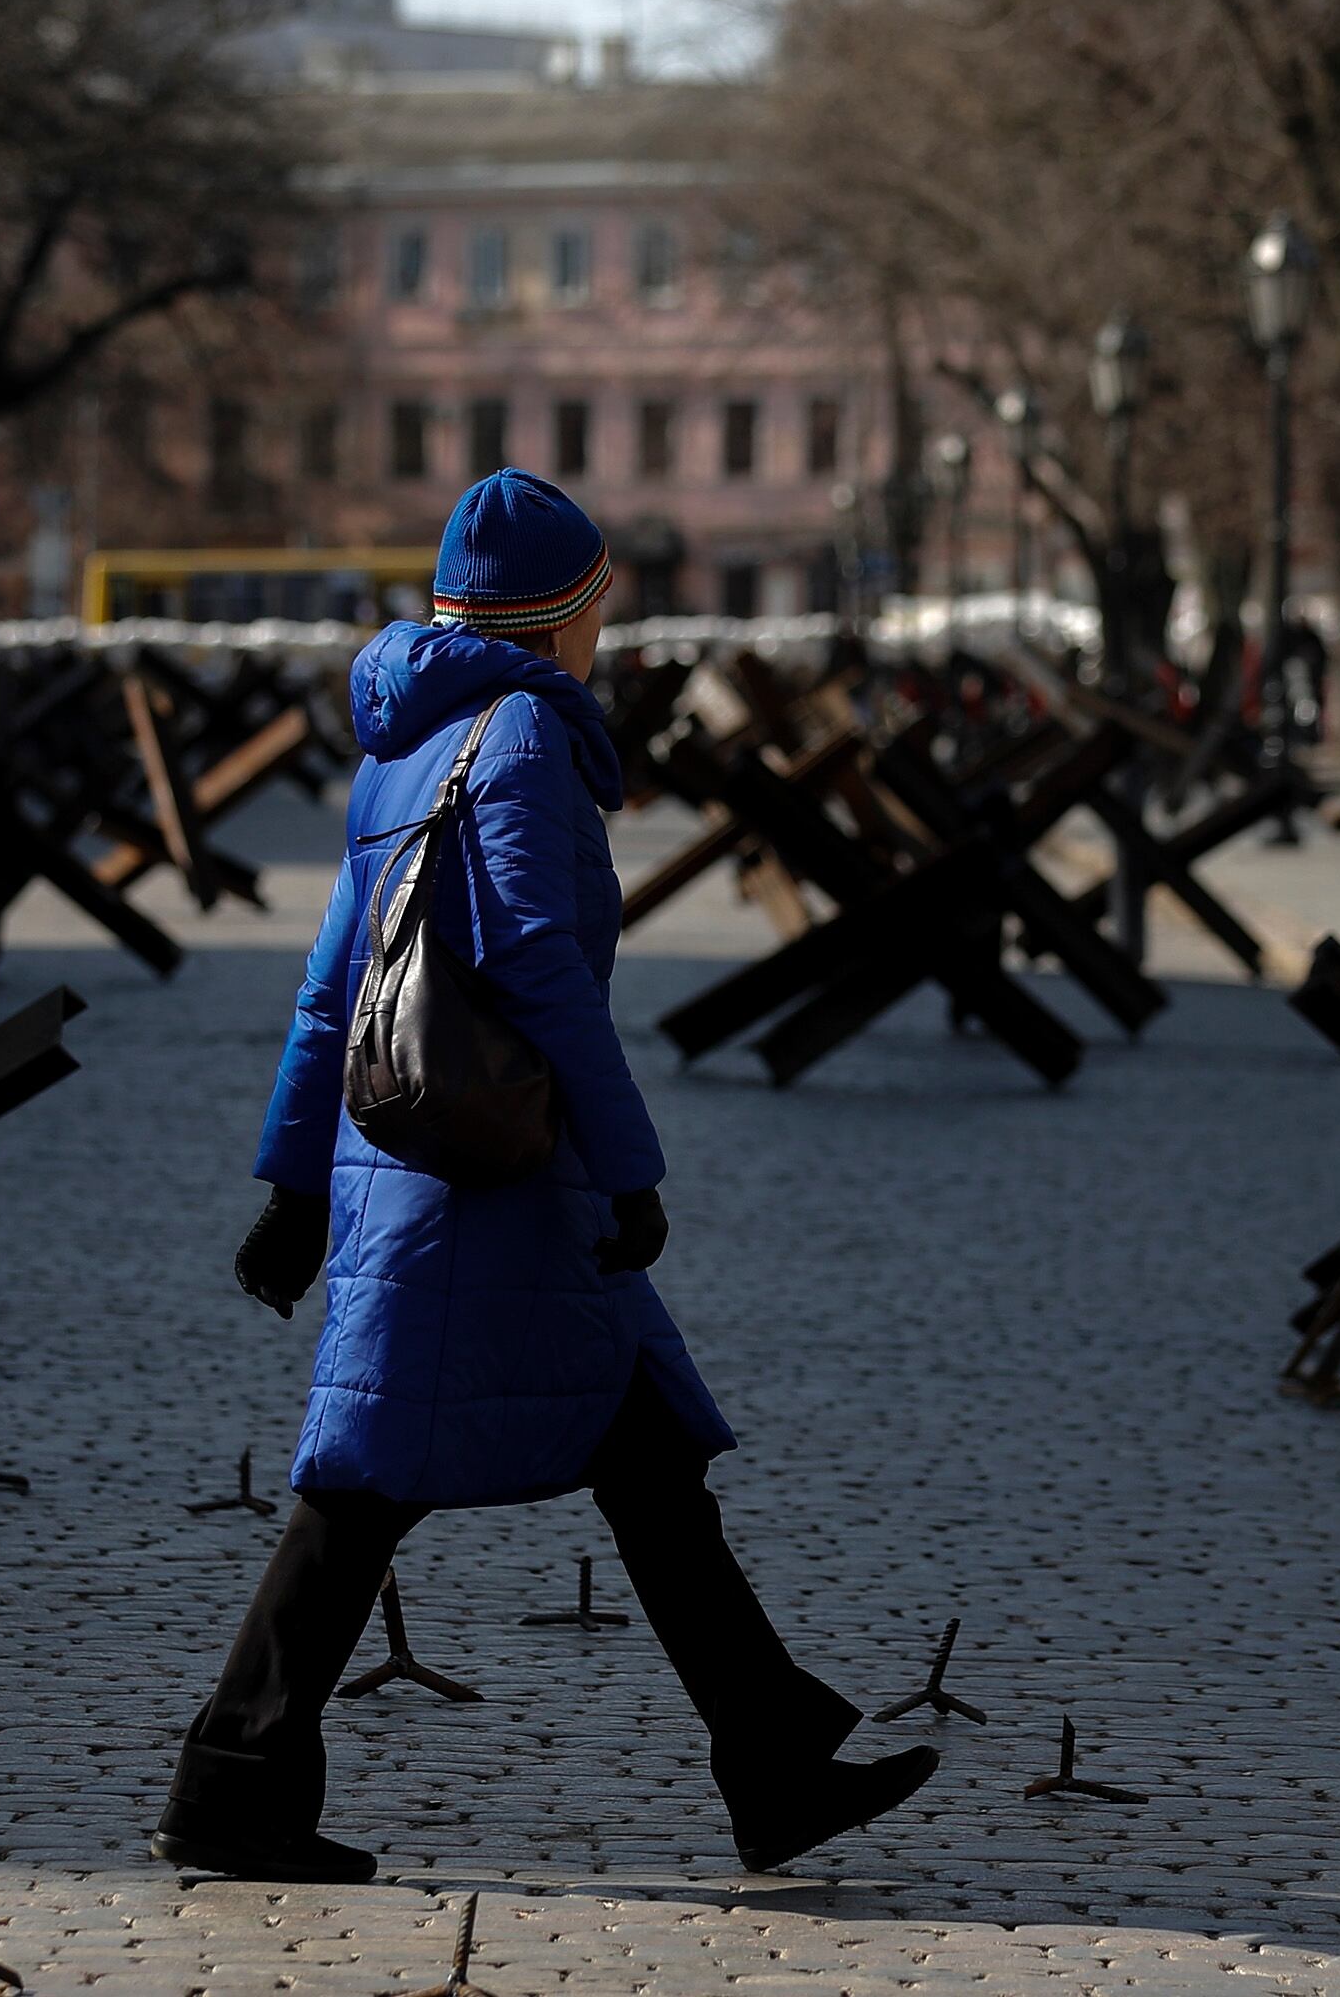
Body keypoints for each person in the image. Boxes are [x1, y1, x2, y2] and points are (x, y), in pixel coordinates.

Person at [156, 470, 937, 1883]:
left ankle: (772, 1758)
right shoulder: (519, 732)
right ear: (567, 613)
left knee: (645, 1466)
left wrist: (295, 1182)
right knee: (366, 1489)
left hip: (440, 1171)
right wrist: (633, 1164)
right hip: (498, 1177)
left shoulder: (403, 744)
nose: (604, 636)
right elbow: (537, 966)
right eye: (597, 609)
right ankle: (230, 1785)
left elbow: (333, 990)